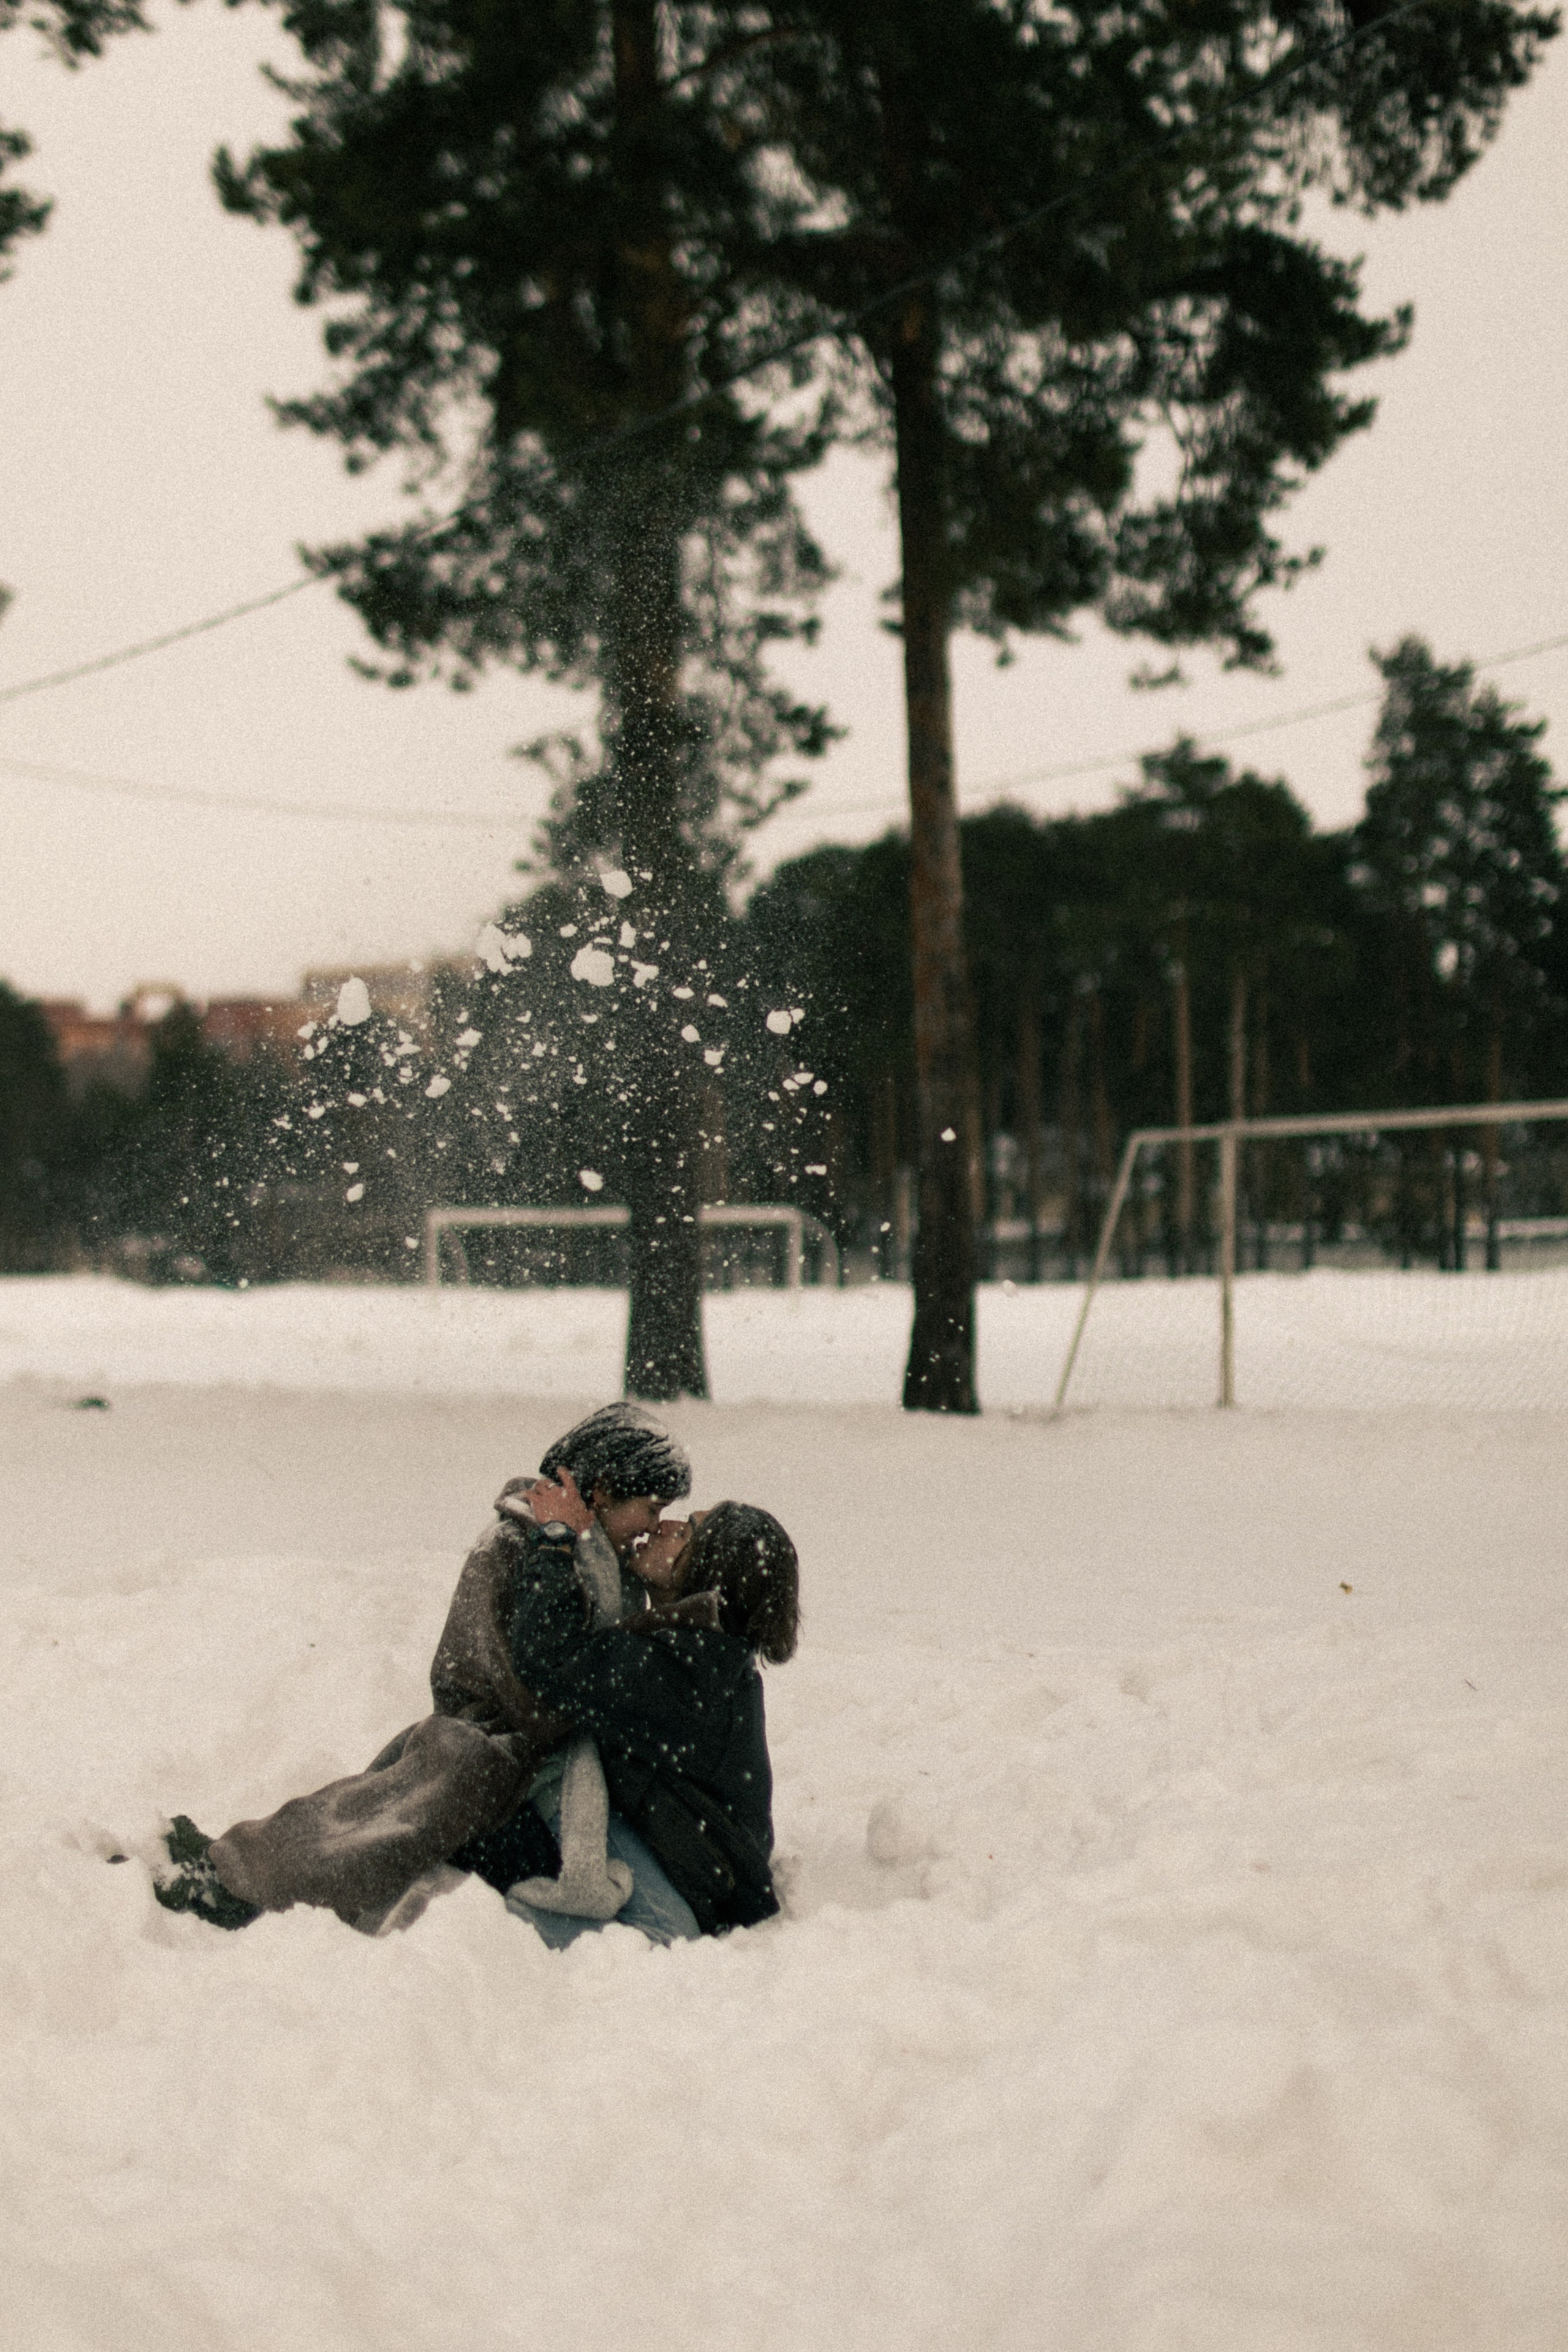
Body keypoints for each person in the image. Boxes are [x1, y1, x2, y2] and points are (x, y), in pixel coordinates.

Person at [149, 1404, 692, 1932]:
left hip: (545, 1754)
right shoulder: (522, 1543)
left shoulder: (602, 1560)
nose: (654, 1525)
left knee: (377, 1819)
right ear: (599, 1494)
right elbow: (522, 1678)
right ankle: (233, 1879)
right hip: (495, 1743)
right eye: (650, 1507)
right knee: (381, 1831)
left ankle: (243, 1874)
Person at [499, 1471, 799, 1945]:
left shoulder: (689, 1668)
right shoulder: (708, 1655)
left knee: (658, 1938)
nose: (665, 1525)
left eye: (686, 1532)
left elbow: (549, 1657)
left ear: (708, 1572)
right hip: (702, 1873)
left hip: (699, 1892)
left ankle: (491, 1937)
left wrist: (556, 1538)